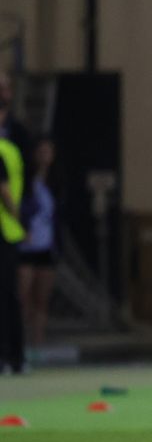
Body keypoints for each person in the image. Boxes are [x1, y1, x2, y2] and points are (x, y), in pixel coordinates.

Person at [17, 136, 59, 350]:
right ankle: (20, 344)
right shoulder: (25, 182)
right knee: (23, 298)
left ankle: (38, 344)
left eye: (48, 152)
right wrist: (23, 229)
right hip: (26, 247)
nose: (45, 156)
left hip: (45, 247)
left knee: (41, 301)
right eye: (41, 152)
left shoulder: (55, 182)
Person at [0, 134, 26, 375]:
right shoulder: (9, 149)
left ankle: (11, 357)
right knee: (10, 297)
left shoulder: (7, 150)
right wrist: (21, 219)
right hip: (9, 230)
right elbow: (6, 191)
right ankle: (14, 358)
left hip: (5, 232)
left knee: (8, 298)